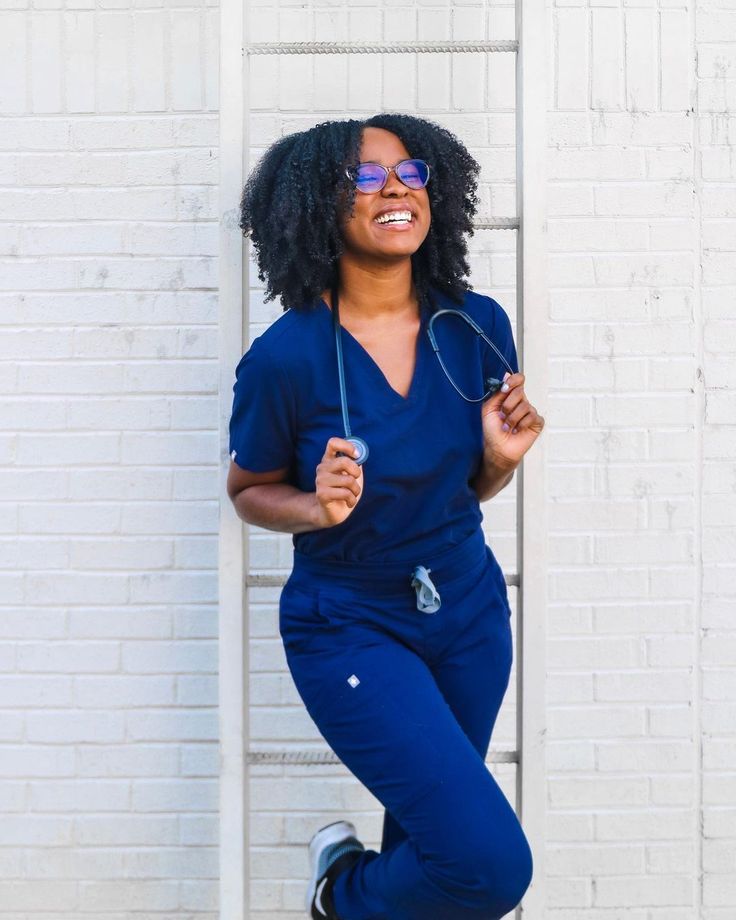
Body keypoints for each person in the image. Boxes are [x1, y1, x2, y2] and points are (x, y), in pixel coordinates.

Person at [227, 113, 545, 920]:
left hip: (469, 613)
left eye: (409, 172)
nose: (395, 187)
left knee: (433, 861)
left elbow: (461, 490)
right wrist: (312, 503)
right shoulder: (286, 357)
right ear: (318, 207)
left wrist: (498, 466)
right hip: (351, 623)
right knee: (486, 866)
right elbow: (247, 487)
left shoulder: (476, 326)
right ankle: (341, 896)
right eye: (364, 178)